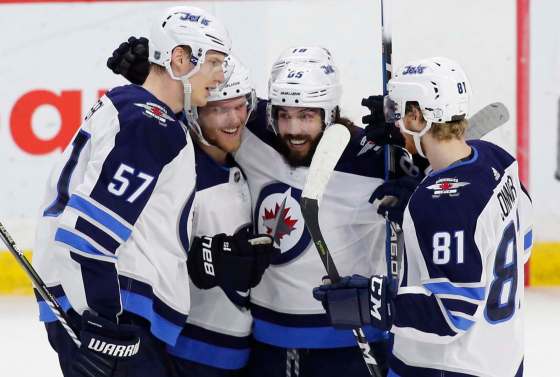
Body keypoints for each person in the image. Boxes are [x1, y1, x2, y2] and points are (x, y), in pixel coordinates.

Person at [107, 44, 392, 376]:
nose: (294, 129)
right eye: (283, 114)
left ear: (330, 111)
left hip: (350, 346)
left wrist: (414, 157)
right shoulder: (249, 130)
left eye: (307, 116)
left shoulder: (376, 159)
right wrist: (158, 76)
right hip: (264, 346)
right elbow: (205, 106)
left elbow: (457, 172)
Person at [32, 6, 272, 377]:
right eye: (214, 62)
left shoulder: (141, 109)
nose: (220, 75)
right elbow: (91, 233)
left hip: (104, 310)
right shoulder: (150, 122)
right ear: (180, 59)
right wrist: (106, 326)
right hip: (112, 315)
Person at [313, 57, 532, 377]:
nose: (395, 124)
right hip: (503, 359)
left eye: (397, 113)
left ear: (417, 116)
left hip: (448, 368)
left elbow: (452, 314)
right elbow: (522, 243)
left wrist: (373, 300)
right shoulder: (497, 158)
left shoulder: (439, 203)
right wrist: (422, 199)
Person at [167, 55, 274, 376]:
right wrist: (198, 263)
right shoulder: (179, 176)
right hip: (188, 353)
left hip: (239, 350)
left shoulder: (241, 163)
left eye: (240, 105)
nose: (234, 119)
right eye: (218, 110)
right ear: (193, 112)